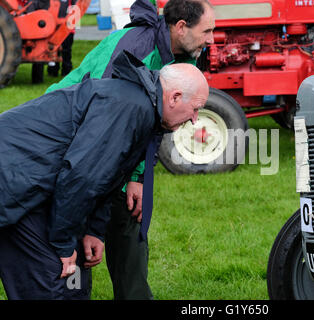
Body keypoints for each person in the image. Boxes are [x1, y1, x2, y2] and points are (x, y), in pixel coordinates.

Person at [0, 50, 209, 300]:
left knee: (71, 284)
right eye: (195, 109)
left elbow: (108, 176)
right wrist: (63, 244)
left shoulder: (143, 107)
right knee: (55, 279)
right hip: (14, 182)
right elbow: (82, 177)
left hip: (34, 184)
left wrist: (94, 231)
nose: (195, 120)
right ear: (174, 97)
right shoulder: (131, 106)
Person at [46, 0, 215, 300]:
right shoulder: (135, 48)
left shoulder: (185, 58)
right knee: (77, 226)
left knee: (130, 226)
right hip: (71, 139)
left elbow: (158, 121)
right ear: (180, 28)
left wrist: (138, 174)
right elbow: (103, 127)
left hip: (116, 147)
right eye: (207, 31)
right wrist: (127, 177)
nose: (211, 39)